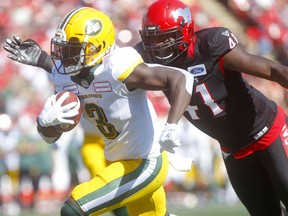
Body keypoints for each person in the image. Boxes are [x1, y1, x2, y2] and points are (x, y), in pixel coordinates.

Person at [4, 6, 194, 216]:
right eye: (64, 48)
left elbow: (181, 78)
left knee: (73, 209)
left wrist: (171, 126)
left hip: (145, 164)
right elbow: (50, 138)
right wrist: (45, 123)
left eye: (74, 48)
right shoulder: (64, 76)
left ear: (98, 47)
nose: (65, 56)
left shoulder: (117, 67)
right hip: (119, 160)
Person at [133, 0, 288, 216]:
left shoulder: (210, 45)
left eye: (165, 37)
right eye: (153, 38)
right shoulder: (143, 56)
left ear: (185, 30)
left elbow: (272, 70)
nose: (158, 45)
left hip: (268, 132)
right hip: (232, 149)